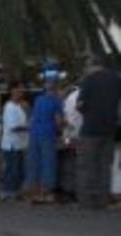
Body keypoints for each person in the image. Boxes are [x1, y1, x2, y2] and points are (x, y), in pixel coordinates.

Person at [75, 57, 121, 209]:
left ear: (91, 67)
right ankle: (103, 200)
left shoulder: (88, 81)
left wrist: (87, 110)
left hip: (90, 130)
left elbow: (80, 105)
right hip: (110, 130)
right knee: (105, 166)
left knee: (87, 166)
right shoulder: (116, 80)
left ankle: (87, 201)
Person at [25, 81, 64, 203]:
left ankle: (33, 193)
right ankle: (45, 193)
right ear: (56, 90)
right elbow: (58, 121)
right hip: (47, 134)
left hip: (34, 134)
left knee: (34, 163)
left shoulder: (38, 100)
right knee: (48, 163)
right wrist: (63, 127)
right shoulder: (56, 101)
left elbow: (31, 118)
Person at [0, 81, 30, 200]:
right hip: (11, 144)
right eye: (19, 89)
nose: (21, 92)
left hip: (21, 143)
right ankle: (7, 191)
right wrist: (28, 127)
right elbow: (13, 126)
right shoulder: (9, 107)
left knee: (20, 169)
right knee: (12, 169)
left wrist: (27, 110)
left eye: (22, 90)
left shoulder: (21, 105)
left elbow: (28, 118)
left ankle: (16, 191)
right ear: (12, 91)